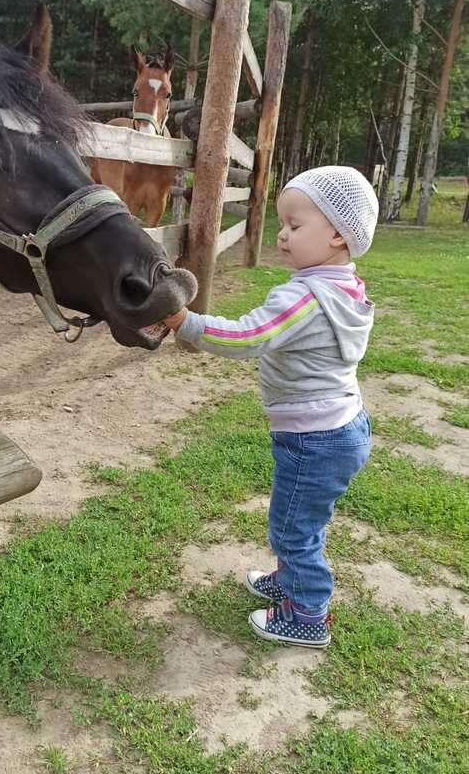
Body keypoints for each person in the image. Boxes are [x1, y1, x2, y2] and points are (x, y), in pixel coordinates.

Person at [162, 166, 379, 648]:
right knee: (303, 519)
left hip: (314, 436)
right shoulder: (346, 287)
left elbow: (249, 336)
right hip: (341, 425)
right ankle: (290, 581)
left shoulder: (305, 295)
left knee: (292, 528)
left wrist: (183, 321)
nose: (282, 236)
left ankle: (306, 615)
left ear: (339, 236)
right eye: (282, 224)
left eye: (295, 226)